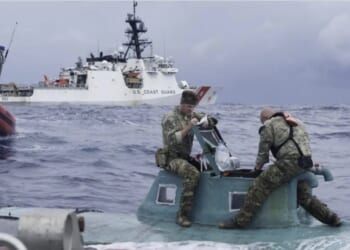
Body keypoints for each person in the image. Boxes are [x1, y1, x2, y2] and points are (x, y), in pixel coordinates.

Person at [219, 107, 341, 229]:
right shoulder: (297, 122)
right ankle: (332, 218)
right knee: (303, 196)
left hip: (288, 163)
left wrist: (256, 170)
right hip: (306, 162)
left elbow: (263, 155)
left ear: (264, 119)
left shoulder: (268, 124)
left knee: (260, 185)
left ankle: (241, 222)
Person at [159, 90, 215, 227]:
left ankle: (207, 209)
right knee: (192, 173)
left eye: (193, 107)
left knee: (209, 169)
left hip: (185, 157)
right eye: (189, 107)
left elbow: (212, 119)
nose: (191, 110)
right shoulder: (170, 118)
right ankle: (182, 215)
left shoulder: (191, 114)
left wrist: (207, 122)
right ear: (182, 104)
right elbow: (172, 140)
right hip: (171, 158)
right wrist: (189, 126)